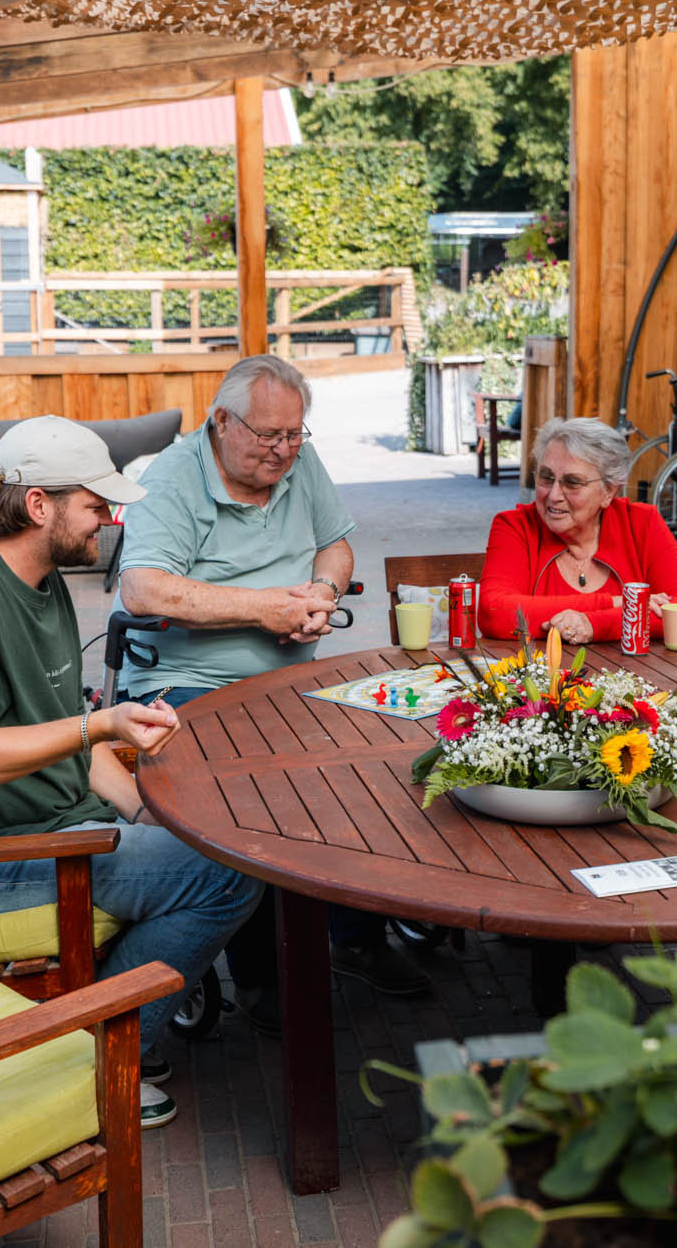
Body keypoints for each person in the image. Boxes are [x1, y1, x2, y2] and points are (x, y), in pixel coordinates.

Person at [0, 415, 263, 1132]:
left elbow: (75, 744)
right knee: (231, 870)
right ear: (39, 506)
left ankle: (102, 1013)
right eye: (95, 505)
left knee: (210, 838)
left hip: (54, 826)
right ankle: (96, 1059)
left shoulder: (42, 578)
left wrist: (148, 817)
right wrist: (101, 724)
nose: (108, 521)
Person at [116, 353, 431, 1020]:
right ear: (222, 422)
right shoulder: (172, 479)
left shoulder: (293, 464)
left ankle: (354, 937)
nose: (284, 451)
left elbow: (337, 545)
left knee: (373, 769)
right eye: (269, 436)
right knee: (256, 802)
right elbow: (143, 589)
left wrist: (320, 593)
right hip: (188, 684)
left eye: (295, 435)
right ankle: (260, 976)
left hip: (292, 681)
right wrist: (264, 608)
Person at [478, 416, 677, 644]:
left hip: (632, 676)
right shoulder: (515, 526)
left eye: (572, 482)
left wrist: (593, 624)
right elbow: (495, 612)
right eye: (546, 478)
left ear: (608, 491)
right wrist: (617, 603)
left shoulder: (641, 523)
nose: (553, 495)